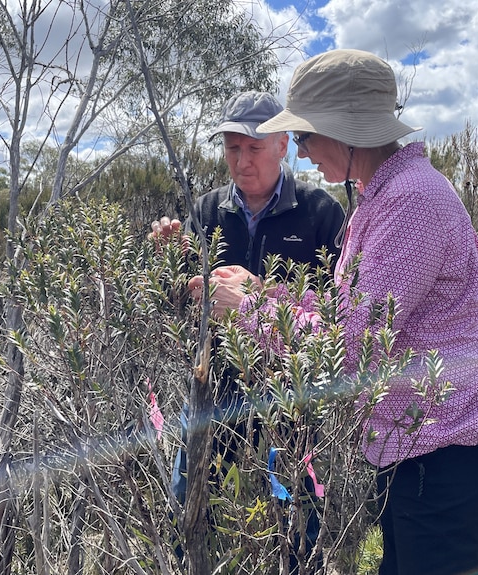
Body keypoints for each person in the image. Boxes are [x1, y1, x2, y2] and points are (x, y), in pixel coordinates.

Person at [196, 50, 478, 575]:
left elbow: (350, 351)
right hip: (419, 456)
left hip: (441, 462)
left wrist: (248, 310)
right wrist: (268, 295)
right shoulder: (384, 195)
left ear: (347, 131)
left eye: (306, 137)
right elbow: (355, 313)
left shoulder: (410, 203)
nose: (302, 153)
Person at [151, 90, 345, 571]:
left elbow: (340, 315)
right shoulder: (208, 210)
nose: (242, 160)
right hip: (215, 389)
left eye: (254, 147)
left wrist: (260, 299)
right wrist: (168, 267)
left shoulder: (322, 213)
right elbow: (178, 306)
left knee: (300, 515)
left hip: (293, 395)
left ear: (283, 145)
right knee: (189, 502)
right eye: (232, 148)